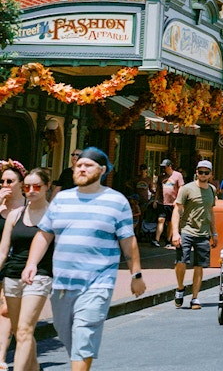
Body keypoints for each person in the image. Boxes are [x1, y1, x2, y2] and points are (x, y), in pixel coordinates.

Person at [22, 147, 145, 370]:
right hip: (62, 285)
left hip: (97, 284)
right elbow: (44, 235)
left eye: (88, 165)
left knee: (83, 334)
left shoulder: (116, 201)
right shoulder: (61, 200)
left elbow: (128, 241)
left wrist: (136, 275)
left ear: (102, 170)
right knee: (66, 335)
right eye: (78, 165)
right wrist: (31, 263)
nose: (81, 168)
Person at [0, 167, 54, 371]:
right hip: (12, 276)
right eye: (27, 187)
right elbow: (3, 250)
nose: (31, 191)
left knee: (24, 330)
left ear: (47, 186)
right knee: (19, 331)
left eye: (37, 186)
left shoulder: (54, 215)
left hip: (40, 275)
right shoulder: (15, 215)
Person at [171, 160, 217, 311]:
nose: (203, 175)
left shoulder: (212, 190)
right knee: (181, 261)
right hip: (187, 230)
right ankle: (180, 288)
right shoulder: (186, 189)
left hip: (203, 233)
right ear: (196, 172)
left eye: (206, 172)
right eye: (200, 172)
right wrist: (175, 233)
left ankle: (195, 297)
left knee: (199, 265)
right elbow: (177, 210)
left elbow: (211, 212)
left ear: (210, 174)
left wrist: (214, 233)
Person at [0, 160, 28, 369]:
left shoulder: (28, 207)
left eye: (10, 181)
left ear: (21, 184)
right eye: (2, 181)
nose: (5, 185)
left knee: (5, 311)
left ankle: (0, 357)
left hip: (15, 264)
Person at [154, 160, 183, 248]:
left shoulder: (178, 175)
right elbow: (158, 189)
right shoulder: (161, 177)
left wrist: (177, 200)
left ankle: (168, 239)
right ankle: (156, 239)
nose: (163, 169)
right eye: (162, 167)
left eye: (165, 167)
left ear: (170, 166)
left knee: (170, 222)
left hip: (172, 203)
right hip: (162, 202)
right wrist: (155, 200)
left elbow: (181, 188)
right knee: (161, 219)